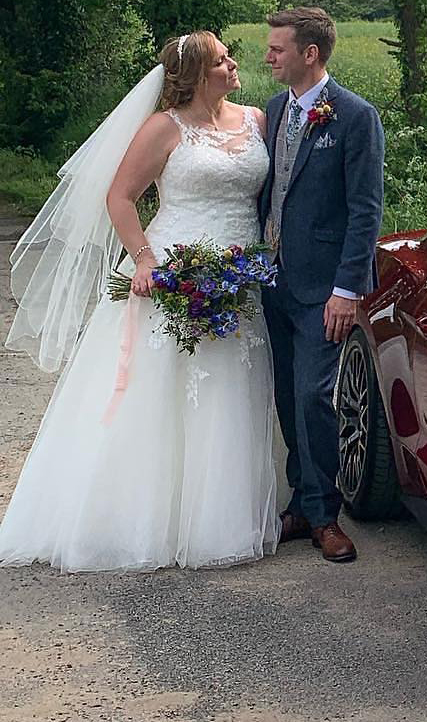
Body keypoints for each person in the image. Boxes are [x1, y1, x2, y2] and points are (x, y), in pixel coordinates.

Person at [0, 32, 280, 572]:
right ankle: (145, 516)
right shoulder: (163, 128)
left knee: (231, 388)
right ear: (199, 75)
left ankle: (225, 510)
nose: (234, 64)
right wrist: (146, 260)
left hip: (240, 276)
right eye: (223, 60)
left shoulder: (256, 120)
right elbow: (119, 196)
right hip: (175, 272)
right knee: (163, 394)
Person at [259, 7, 385, 563]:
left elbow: (365, 210)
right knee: (287, 395)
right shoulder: (274, 109)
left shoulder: (355, 117)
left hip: (325, 289)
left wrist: (347, 289)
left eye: (277, 48)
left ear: (310, 54)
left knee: (315, 396)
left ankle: (326, 515)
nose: (268, 56)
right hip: (273, 281)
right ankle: (300, 505)